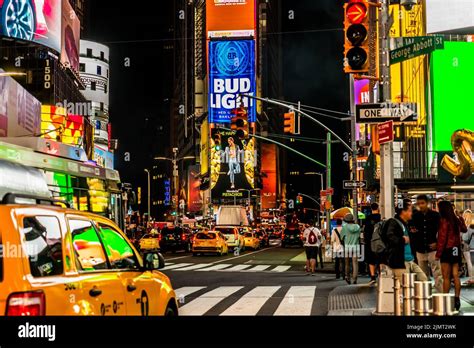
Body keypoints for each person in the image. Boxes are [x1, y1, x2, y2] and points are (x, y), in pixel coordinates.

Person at [383, 200, 428, 284]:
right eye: (410, 211)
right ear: (403, 212)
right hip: (400, 261)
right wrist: (403, 240)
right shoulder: (393, 222)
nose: (411, 213)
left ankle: (415, 296)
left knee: (423, 279)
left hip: (410, 260)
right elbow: (389, 237)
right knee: (405, 287)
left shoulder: (405, 224)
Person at [436, 201, 468, 311]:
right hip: (456, 249)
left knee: (446, 277)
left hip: (447, 250)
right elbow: (465, 229)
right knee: (455, 275)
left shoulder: (444, 221)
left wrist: (438, 254)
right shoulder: (456, 220)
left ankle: (445, 300)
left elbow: (442, 239)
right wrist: (461, 218)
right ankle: (457, 299)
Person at [411, 194, 442, 292]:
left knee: (438, 273)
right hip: (420, 249)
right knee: (423, 275)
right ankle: (425, 294)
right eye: (419, 203)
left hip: (433, 248)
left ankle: (440, 293)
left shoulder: (436, 215)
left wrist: (437, 243)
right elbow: (412, 231)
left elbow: (441, 231)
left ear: (427, 203)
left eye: (423, 203)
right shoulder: (414, 216)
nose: (421, 205)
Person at [364, 203, 382, 284]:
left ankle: (372, 276)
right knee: (381, 259)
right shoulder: (381, 217)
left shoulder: (368, 218)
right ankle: (381, 275)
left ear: (371, 208)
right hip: (380, 241)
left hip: (370, 242)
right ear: (378, 208)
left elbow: (366, 231)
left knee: (371, 260)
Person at [341, 213, 361, 284]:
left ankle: (347, 277)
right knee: (355, 263)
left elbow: (341, 237)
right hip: (356, 247)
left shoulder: (345, 227)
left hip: (347, 247)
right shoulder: (358, 227)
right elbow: (359, 236)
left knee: (347, 263)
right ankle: (355, 278)